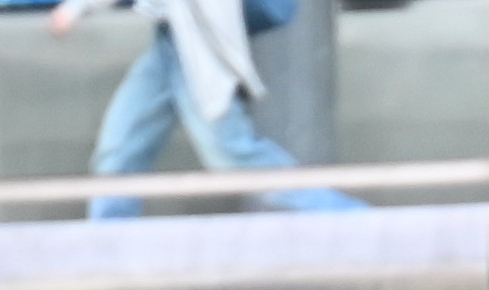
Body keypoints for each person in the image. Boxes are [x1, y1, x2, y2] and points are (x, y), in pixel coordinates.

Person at [49, 0, 362, 216]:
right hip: (171, 40)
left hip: (195, 47)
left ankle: (349, 218)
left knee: (234, 156)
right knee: (120, 150)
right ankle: (105, 250)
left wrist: (76, 8)